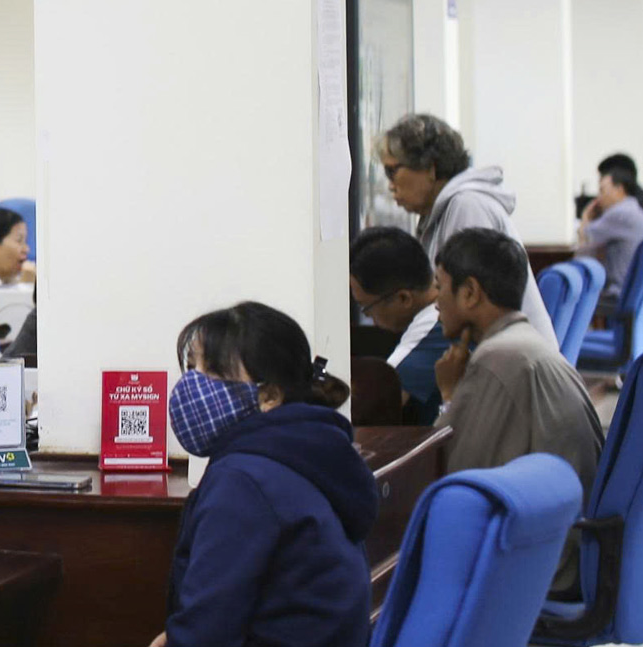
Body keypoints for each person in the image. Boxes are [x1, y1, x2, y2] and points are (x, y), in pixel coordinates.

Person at [149, 302, 377, 647]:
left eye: (212, 371)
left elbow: (206, 633)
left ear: (269, 395)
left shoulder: (244, 479)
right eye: (191, 367)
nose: (191, 385)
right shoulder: (310, 452)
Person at [433, 227, 603, 598]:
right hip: (575, 547)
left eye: (440, 286)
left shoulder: (500, 359)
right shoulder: (528, 345)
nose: (435, 300)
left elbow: (454, 482)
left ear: (470, 292)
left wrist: (449, 394)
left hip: (548, 564)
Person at [377, 113, 556, 344]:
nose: (390, 185)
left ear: (430, 168)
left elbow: (467, 309)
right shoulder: (442, 210)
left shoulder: (468, 205)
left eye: (392, 171)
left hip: (513, 360)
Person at [350, 227, 446, 424]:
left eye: (367, 307)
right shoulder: (438, 312)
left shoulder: (434, 327)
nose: (370, 318)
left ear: (404, 298)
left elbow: (367, 407)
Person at [578, 154, 643, 295]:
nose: (598, 198)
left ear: (619, 188)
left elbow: (585, 237)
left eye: (602, 190)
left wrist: (585, 216)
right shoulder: (634, 208)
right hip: (632, 295)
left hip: (617, 293)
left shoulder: (619, 213)